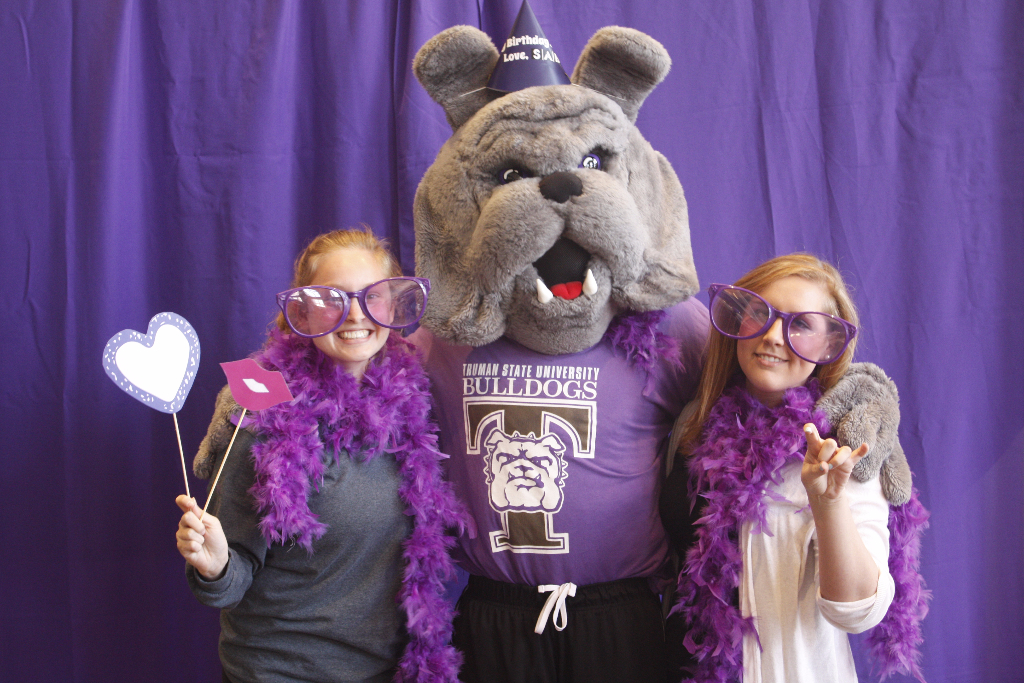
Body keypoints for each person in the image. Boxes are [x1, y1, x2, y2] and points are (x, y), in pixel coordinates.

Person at [174, 228, 466, 683]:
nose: (356, 313)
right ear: (302, 313)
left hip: (389, 672)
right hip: (281, 672)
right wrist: (216, 568)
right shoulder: (261, 415)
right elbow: (231, 580)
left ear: (393, 307)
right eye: (333, 298)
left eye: (372, 295)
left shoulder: (418, 402)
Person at [660, 253, 926, 683]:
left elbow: (859, 610)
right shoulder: (695, 424)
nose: (772, 336)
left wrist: (828, 504)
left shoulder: (844, 442)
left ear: (829, 346)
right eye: (759, 313)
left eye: (800, 324)